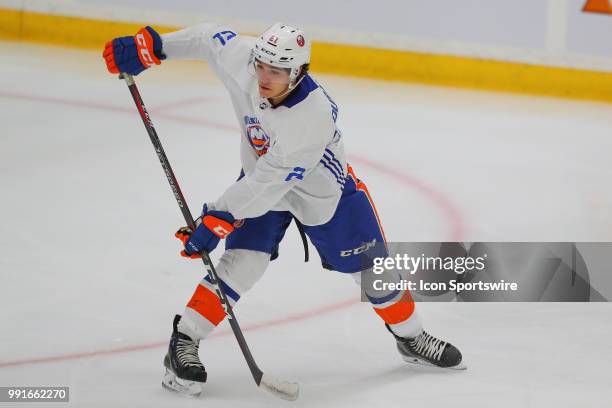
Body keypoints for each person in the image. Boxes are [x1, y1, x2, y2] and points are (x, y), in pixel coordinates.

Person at [103, 22, 464, 396]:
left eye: (276, 72)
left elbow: (271, 182)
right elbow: (209, 38)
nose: (263, 77)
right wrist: (155, 46)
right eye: (261, 66)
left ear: (298, 73)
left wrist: (220, 214)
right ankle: (184, 340)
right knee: (243, 262)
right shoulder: (248, 63)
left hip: (323, 195)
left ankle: (412, 338)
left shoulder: (312, 117)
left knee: (375, 273)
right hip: (263, 182)